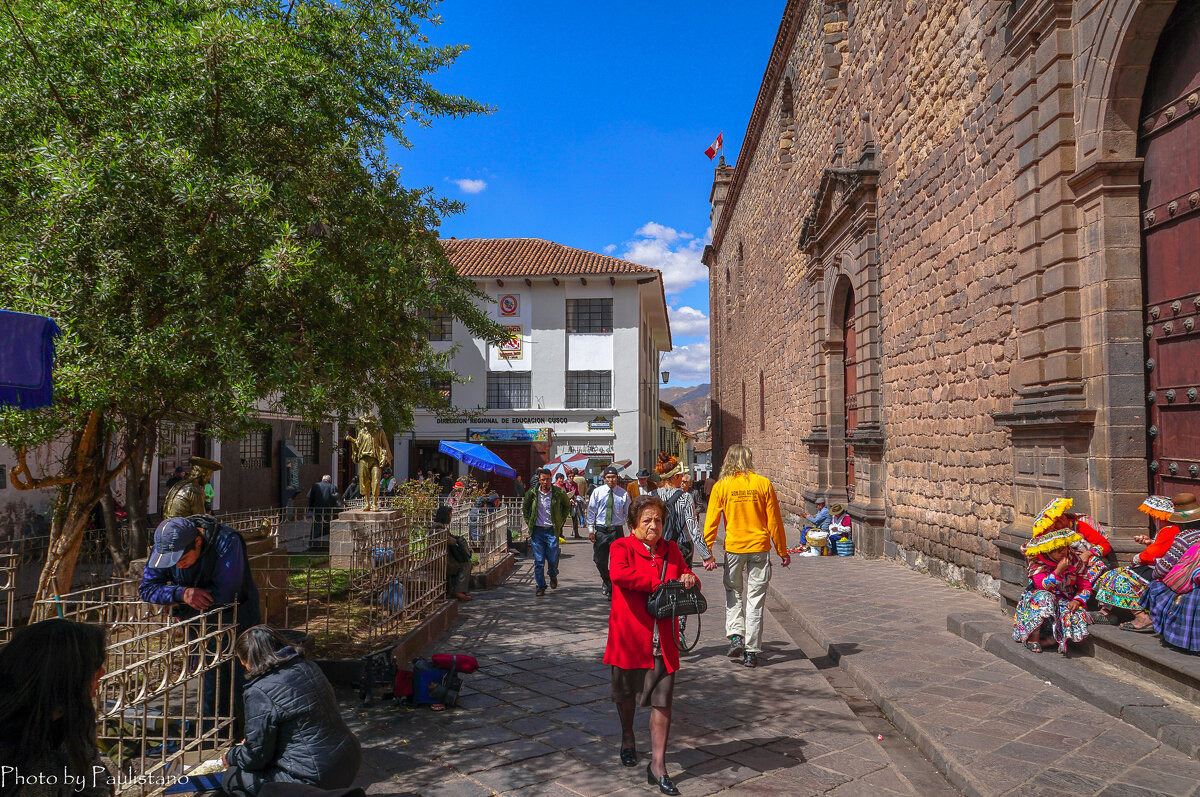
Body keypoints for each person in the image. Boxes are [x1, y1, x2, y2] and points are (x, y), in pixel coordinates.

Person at [606, 494, 699, 796]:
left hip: (664, 639)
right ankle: (628, 736)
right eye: (646, 520)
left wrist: (687, 578)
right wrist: (657, 582)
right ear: (633, 524)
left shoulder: (672, 550)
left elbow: (688, 574)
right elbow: (619, 574)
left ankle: (658, 765)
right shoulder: (621, 547)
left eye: (658, 519)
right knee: (626, 694)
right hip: (630, 637)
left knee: (663, 700)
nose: (653, 525)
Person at [139, 516, 261, 726]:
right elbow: (147, 588)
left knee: (242, 678)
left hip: (237, 618)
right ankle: (213, 732)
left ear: (197, 541)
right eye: (171, 561)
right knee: (209, 680)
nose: (178, 565)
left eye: (181, 558)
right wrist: (181, 593)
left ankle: (249, 732)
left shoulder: (227, 540)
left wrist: (185, 601)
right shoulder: (166, 547)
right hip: (198, 624)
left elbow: (225, 592)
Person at [221, 626, 361, 797]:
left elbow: (255, 757)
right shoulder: (308, 666)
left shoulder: (259, 691)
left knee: (232, 778)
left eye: (242, 661)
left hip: (314, 777)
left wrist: (231, 756)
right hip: (348, 760)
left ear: (248, 660)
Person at [0, 619, 113, 797]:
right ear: (64, 674)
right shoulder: (8, 740)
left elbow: (93, 784)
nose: (102, 673)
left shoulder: (74, 716)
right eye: (95, 665)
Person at [702, 444, 789, 668]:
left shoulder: (722, 486)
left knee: (734, 592)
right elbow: (775, 521)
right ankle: (751, 651)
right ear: (749, 459)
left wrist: (707, 552)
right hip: (760, 548)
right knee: (755, 601)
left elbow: (710, 521)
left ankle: (736, 636)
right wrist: (782, 550)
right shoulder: (763, 484)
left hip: (734, 549)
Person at [1011, 501, 1094, 655]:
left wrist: (1078, 600)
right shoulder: (1037, 563)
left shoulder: (1074, 560)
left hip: (1065, 599)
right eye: (1057, 550)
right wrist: (1058, 571)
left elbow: (1085, 584)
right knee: (1044, 598)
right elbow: (1042, 586)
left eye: (1064, 548)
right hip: (1041, 598)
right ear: (1048, 551)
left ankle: (1050, 640)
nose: (1063, 553)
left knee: (1075, 614)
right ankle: (1033, 638)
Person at [1094, 495, 1182, 630]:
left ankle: (1142, 618)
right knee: (1114, 573)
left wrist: (1136, 558)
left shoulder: (1170, 530)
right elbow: (1161, 548)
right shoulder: (1167, 530)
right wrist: (1150, 542)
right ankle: (1106, 611)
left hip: (1161, 571)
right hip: (1156, 567)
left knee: (1122, 579)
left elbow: (1153, 554)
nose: (1153, 518)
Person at [1139, 493, 1200, 651]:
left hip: (1191, 588)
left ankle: (1157, 627)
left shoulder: (1184, 538)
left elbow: (1161, 570)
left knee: (1155, 588)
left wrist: (1157, 574)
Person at [651, 453, 713, 571]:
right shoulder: (685, 498)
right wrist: (706, 556)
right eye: (681, 475)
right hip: (681, 546)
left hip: (657, 546)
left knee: (658, 582)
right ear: (675, 476)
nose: (682, 477)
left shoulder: (650, 497)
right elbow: (693, 529)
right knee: (682, 583)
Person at [522, 468, 571, 596]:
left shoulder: (558, 492)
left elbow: (566, 506)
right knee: (538, 561)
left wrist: (561, 521)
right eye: (543, 479)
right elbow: (525, 508)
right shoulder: (532, 493)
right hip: (537, 531)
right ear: (539, 480)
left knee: (553, 558)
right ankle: (540, 586)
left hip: (552, 530)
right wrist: (529, 522)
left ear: (551, 479)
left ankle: (553, 574)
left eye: (548, 479)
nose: (545, 482)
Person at [587, 466, 632, 598]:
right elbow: (591, 511)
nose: (611, 480)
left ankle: (613, 588)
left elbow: (628, 515)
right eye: (608, 477)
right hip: (601, 531)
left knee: (617, 562)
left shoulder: (623, 494)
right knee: (599, 560)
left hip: (616, 531)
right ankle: (607, 581)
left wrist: (631, 533)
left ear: (617, 478)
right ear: (604, 479)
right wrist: (591, 530)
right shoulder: (597, 492)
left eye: (613, 477)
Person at [305, 475, 340, 551]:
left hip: (317, 510)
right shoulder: (332, 487)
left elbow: (309, 497)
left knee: (316, 527)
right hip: (328, 511)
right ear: (329, 480)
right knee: (326, 527)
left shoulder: (315, 486)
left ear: (322, 479)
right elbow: (335, 500)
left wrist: (311, 507)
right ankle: (324, 545)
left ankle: (313, 544)